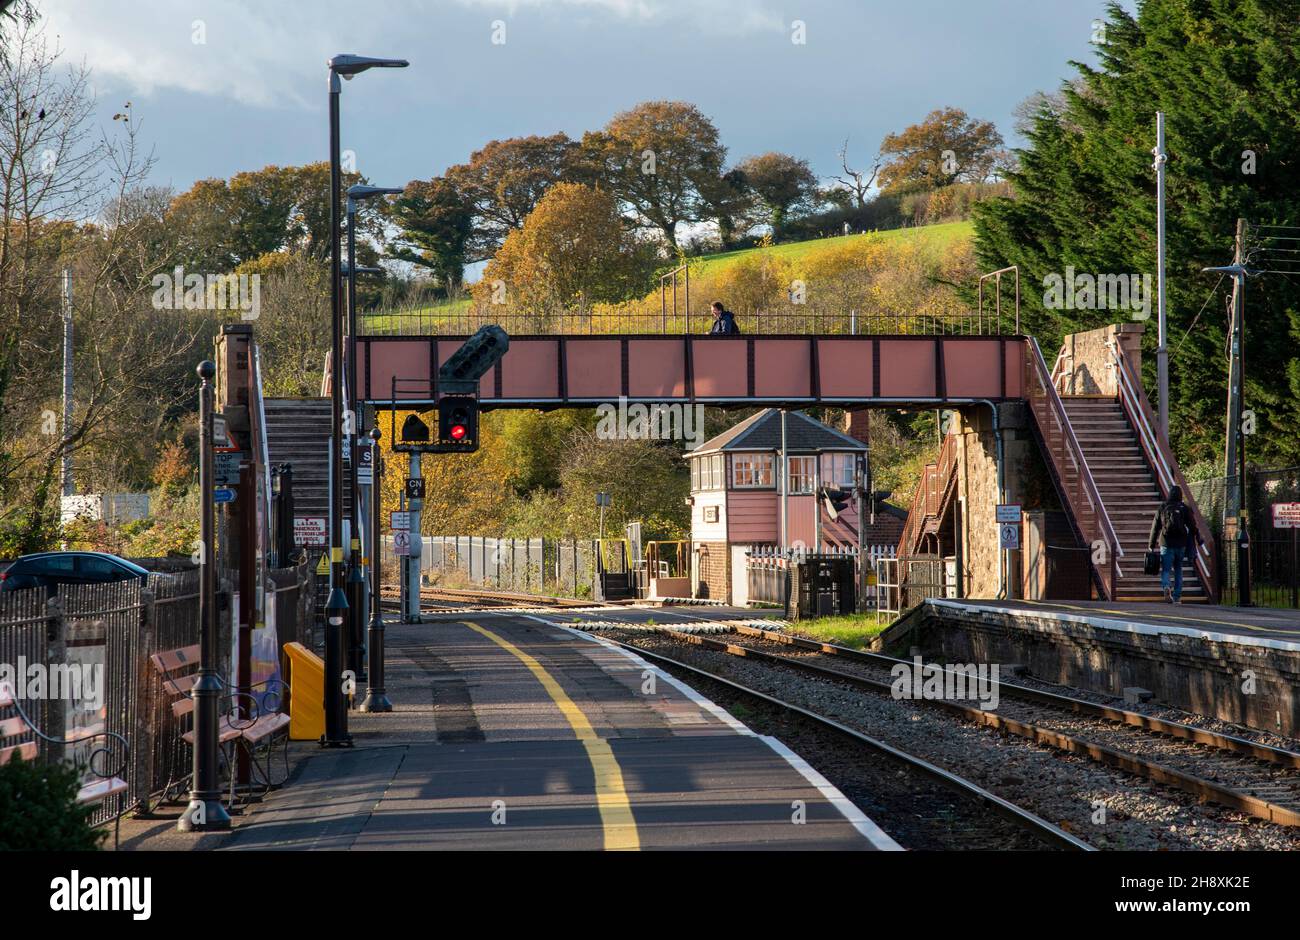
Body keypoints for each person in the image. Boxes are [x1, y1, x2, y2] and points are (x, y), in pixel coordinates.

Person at [1148, 485, 1199, 603]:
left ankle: (1166, 586)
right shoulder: (1184, 508)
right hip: (1181, 543)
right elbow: (1192, 526)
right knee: (1178, 569)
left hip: (1166, 543)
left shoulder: (1163, 507)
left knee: (1166, 569)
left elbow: (1155, 527)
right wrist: (1196, 537)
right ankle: (1177, 596)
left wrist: (1151, 544)